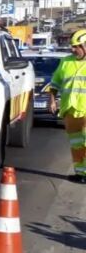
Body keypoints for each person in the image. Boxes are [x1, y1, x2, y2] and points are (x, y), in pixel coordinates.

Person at [49, 29, 86, 184]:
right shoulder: (66, 62)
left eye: (76, 46)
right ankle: (81, 174)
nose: (73, 49)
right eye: (72, 46)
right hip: (70, 110)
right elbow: (55, 82)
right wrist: (52, 100)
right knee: (76, 145)